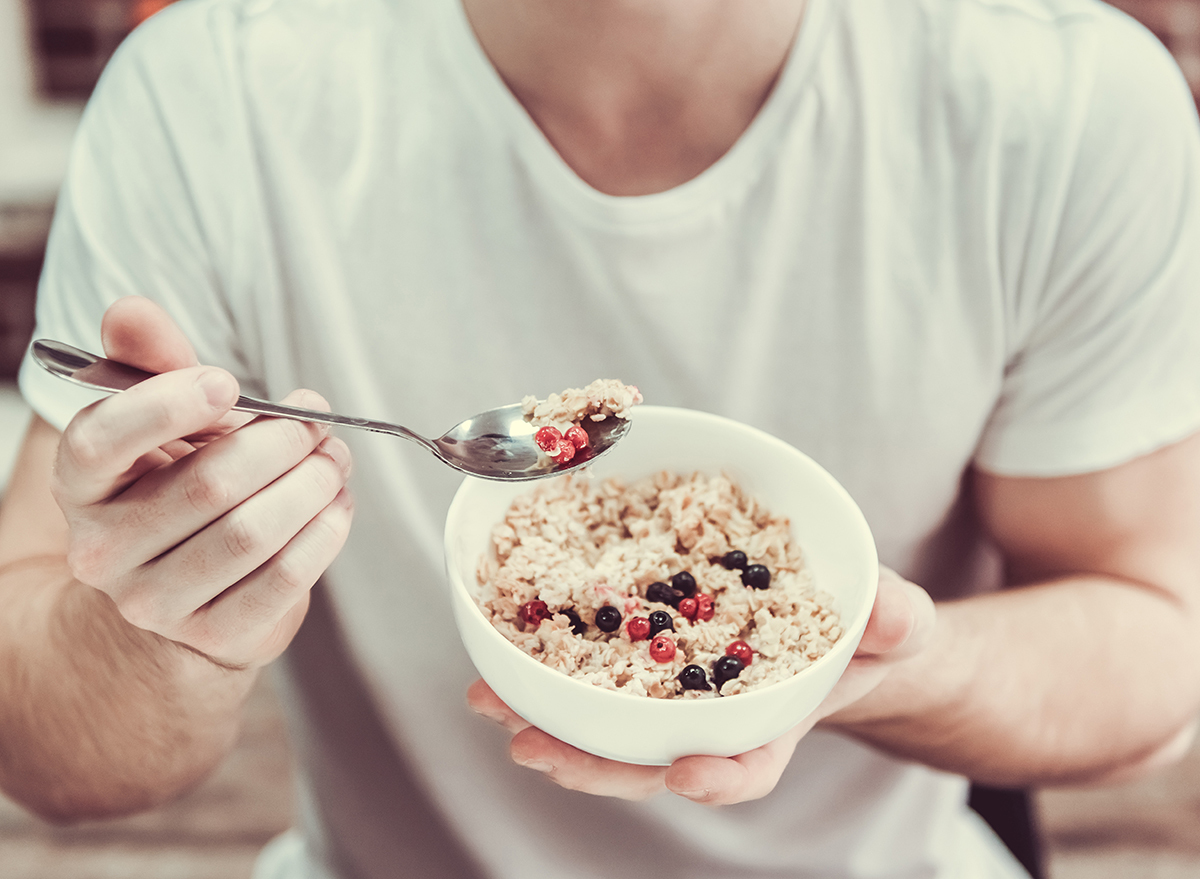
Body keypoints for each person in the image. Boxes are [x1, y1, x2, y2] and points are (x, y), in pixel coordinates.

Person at [1, 0, 1199, 876]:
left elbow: (1151, 631)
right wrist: (164, 627)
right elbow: (44, 743)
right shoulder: (213, 93)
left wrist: (885, 664)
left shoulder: (1068, 104)